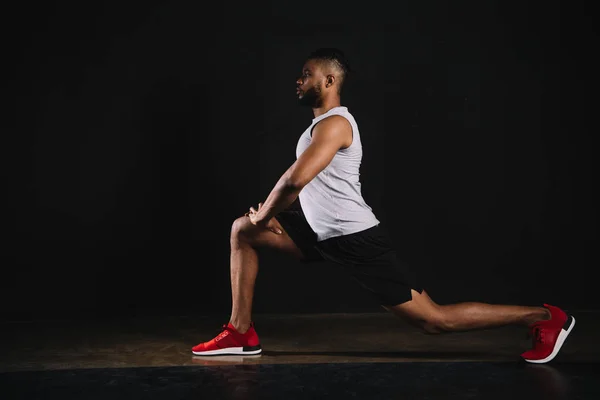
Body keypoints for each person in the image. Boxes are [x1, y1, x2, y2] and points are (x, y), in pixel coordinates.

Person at [191, 48, 575, 364]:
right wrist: (270, 220)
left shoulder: (336, 125)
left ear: (329, 81)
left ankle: (544, 318)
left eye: (306, 74)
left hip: (354, 238)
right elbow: (309, 190)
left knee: (434, 321)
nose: (299, 80)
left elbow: (294, 181)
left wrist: (268, 214)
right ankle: (240, 332)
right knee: (243, 230)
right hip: (321, 232)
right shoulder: (318, 126)